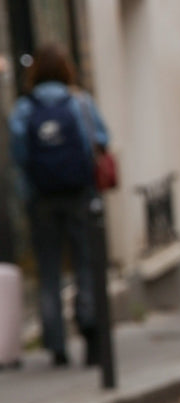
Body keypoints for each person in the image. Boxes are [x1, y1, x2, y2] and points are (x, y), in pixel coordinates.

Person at [8, 43, 110, 367]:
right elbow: (101, 139)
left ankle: (56, 344)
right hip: (80, 194)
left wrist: (30, 191)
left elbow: (19, 156)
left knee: (49, 269)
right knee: (84, 263)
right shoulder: (79, 101)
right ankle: (90, 327)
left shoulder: (24, 109)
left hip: (42, 199)